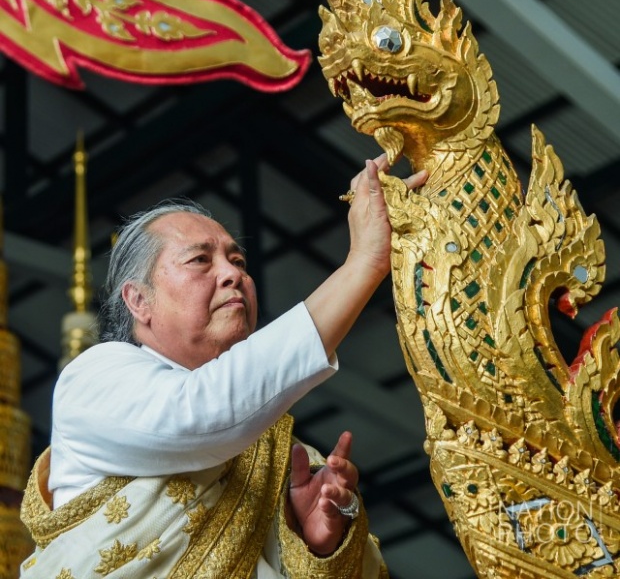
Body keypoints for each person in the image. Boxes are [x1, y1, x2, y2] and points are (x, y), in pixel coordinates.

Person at [19, 155, 427, 578]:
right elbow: (201, 413)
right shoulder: (94, 377)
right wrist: (363, 263)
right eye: (200, 260)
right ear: (138, 300)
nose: (232, 274)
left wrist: (319, 540)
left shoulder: (281, 454)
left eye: (239, 262)